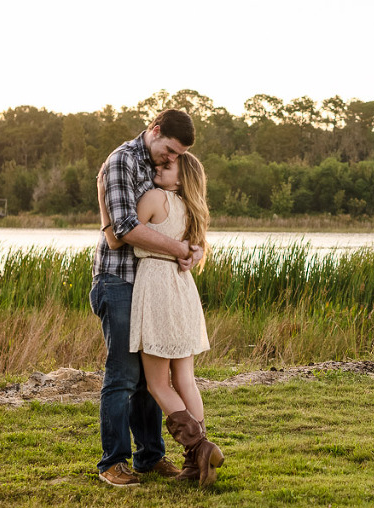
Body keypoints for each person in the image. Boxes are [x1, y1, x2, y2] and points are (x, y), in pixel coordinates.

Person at [98, 152, 224, 487]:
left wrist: (102, 195)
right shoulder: (193, 211)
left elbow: (116, 236)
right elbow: (194, 250)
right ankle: (197, 460)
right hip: (183, 292)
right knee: (186, 379)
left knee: (156, 384)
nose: (159, 168)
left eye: (168, 167)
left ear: (181, 178)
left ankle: (199, 448)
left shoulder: (155, 198)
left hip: (156, 291)